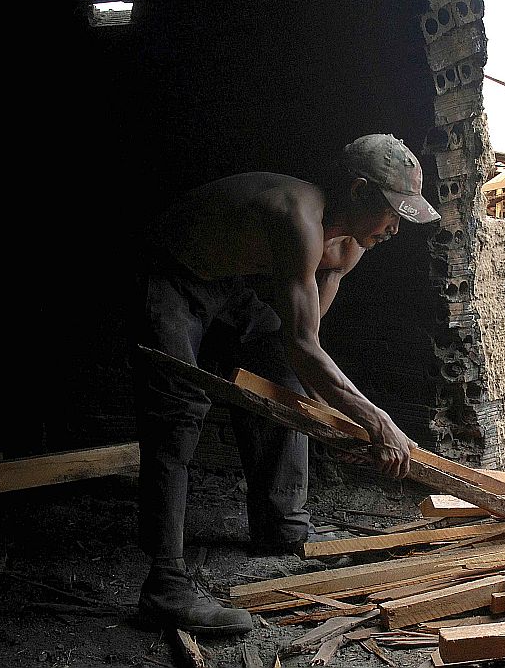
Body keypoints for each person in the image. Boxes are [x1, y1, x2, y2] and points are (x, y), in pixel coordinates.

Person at [130, 134, 440, 635]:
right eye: (392, 212)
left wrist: (336, 427)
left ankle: (281, 523)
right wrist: (379, 422)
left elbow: (304, 357)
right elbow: (306, 346)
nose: (397, 228)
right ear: (359, 191)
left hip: (229, 282)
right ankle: (164, 586)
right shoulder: (298, 219)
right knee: (178, 406)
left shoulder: (348, 247)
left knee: (279, 373)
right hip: (172, 269)